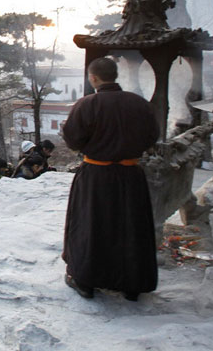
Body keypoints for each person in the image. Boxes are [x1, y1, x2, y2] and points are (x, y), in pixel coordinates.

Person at [61, 57, 160, 301]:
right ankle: (132, 284)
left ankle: (85, 280)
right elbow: (151, 137)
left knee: (92, 226)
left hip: (96, 176)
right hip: (130, 175)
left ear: (93, 78)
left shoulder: (87, 105)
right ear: (115, 76)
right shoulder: (139, 104)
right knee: (130, 228)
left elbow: (73, 140)